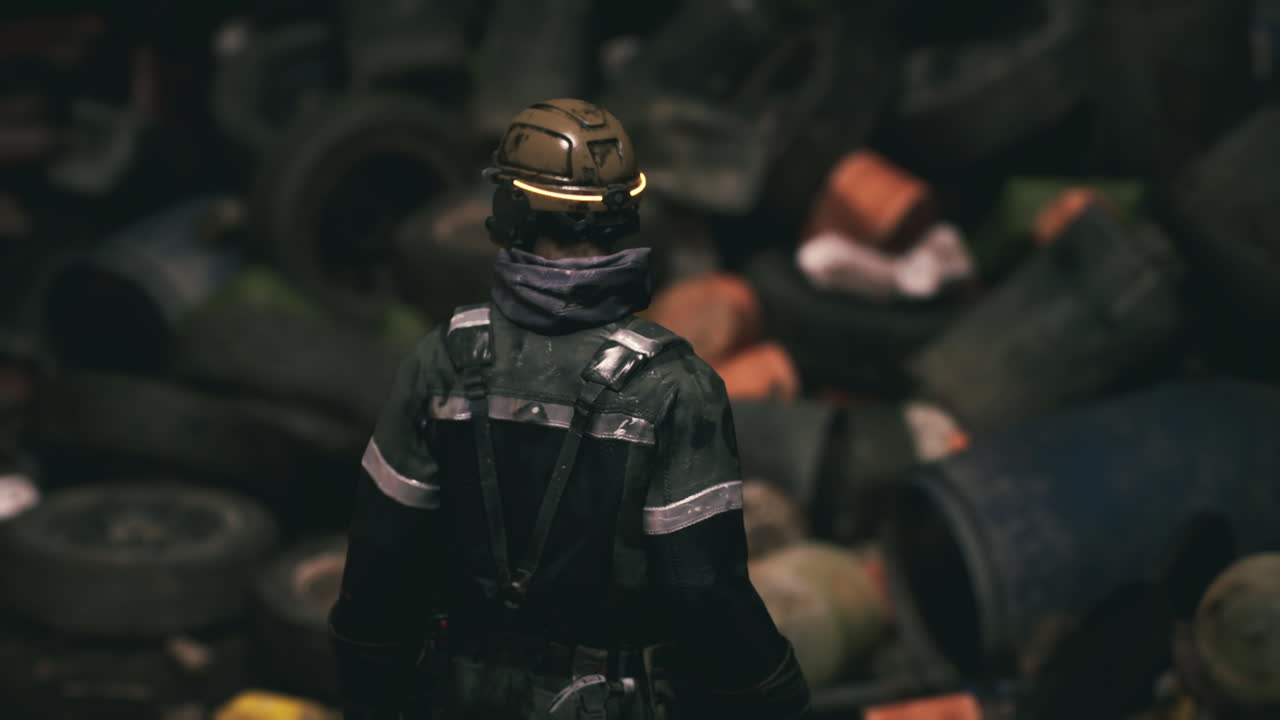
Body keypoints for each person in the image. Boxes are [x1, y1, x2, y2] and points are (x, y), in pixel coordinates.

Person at [329, 98, 812, 720]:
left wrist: (370, 690)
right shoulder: (674, 386)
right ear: (627, 212)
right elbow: (705, 593)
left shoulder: (443, 360)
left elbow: (379, 556)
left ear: (510, 210)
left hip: (449, 693)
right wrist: (775, 694)